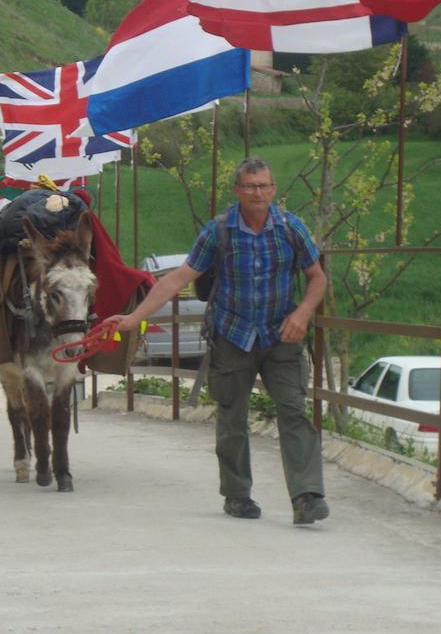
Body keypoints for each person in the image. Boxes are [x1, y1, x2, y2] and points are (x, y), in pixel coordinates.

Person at [103, 157, 330, 525]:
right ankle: (238, 495)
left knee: (293, 411)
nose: (258, 193)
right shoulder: (219, 231)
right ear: (237, 190)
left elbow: (316, 277)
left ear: (274, 189)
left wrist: (302, 314)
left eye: (265, 186)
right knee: (232, 416)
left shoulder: (291, 228)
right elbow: (178, 278)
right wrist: (133, 318)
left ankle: (307, 496)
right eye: (251, 186)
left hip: (281, 334)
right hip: (231, 334)